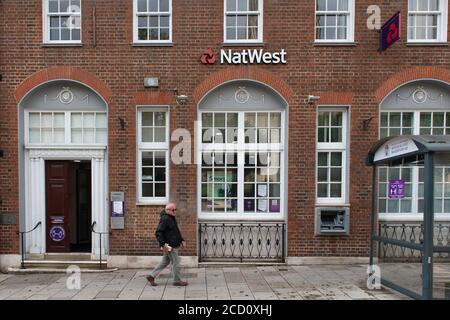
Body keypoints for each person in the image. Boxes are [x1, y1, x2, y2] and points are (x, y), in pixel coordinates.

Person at [146, 202, 188, 286]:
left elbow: (175, 231)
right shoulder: (165, 219)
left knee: (165, 262)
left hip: (173, 244)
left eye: (175, 210)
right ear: (167, 210)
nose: (175, 211)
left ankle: (151, 276)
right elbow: (158, 232)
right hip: (169, 245)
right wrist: (163, 244)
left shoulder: (171, 217)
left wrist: (181, 240)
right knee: (176, 262)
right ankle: (177, 280)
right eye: (173, 210)